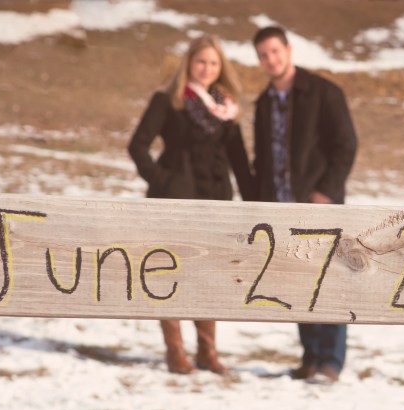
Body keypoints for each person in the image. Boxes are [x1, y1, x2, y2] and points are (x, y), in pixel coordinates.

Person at [128, 34, 252, 376]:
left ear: (220, 68)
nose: (207, 69)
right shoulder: (168, 101)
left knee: (208, 275)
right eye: (201, 62)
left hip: (215, 202)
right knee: (169, 272)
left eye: (213, 63)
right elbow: (138, 146)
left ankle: (207, 352)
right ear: (189, 63)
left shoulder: (227, 108)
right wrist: (164, 181)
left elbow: (239, 160)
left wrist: (253, 201)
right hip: (174, 202)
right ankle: (174, 351)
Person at [248, 25, 357, 384]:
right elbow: (263, 159)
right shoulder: (264, 102)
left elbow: (346, 144)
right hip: (282, 209)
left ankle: (331, 361)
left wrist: (326, 189)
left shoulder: (322, 92)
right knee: (299, 285)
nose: (270, 60)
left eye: (275, 52)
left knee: (330, 281)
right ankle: (310, 358)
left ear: (288, 50)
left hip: (320, 205)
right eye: (263, 55)